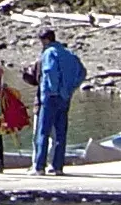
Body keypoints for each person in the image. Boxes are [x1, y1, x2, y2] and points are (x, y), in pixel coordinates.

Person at [28, 27, 88, 175]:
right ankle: (57, 166)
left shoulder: (49, 53)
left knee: (43, 131)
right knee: (60, 133)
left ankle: (39, 167)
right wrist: (70, 89)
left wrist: (53, 90)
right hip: (65, 97)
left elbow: (49, 72)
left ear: (46, 40)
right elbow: (82, 72)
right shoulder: (68, 53)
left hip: (50, 97)